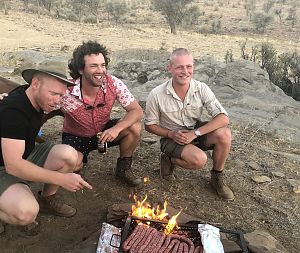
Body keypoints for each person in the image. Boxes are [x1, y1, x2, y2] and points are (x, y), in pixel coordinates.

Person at [0, 60, 92, 231]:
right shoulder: (14, 112)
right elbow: (13, 166)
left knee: (69, 156)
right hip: (5, 166)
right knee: (26, 213)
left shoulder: (31, 95)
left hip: (25, 153)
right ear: (35, 83)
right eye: (54, 94)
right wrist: (62, 179)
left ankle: (47, 200)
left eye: (61, 95)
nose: (58, 101)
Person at [47, 41, 144, 186]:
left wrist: (116, 129)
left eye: (103, 65)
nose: (100, 70)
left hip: (104, 131)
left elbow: (136, 110)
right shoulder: (66, 91)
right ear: (80, 69)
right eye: (94, 66)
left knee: (134, 127)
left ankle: (123, 169)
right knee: (74, 165)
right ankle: (74, 167)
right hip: (76, 136)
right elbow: (43, 109)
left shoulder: (113, 83)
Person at [144, 48, 235, 201]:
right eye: (179, 67)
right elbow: (149, 125)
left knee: (224, 134)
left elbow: (223, 118)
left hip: (195, 132)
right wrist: (170, 134)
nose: (185, 71)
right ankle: (168, 159)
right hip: (172, 138)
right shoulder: (156, 94)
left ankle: (217, 179)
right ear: (170, 68)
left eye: (189, 66)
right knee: (199, 160)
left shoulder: (201, 88)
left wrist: (195, 133)